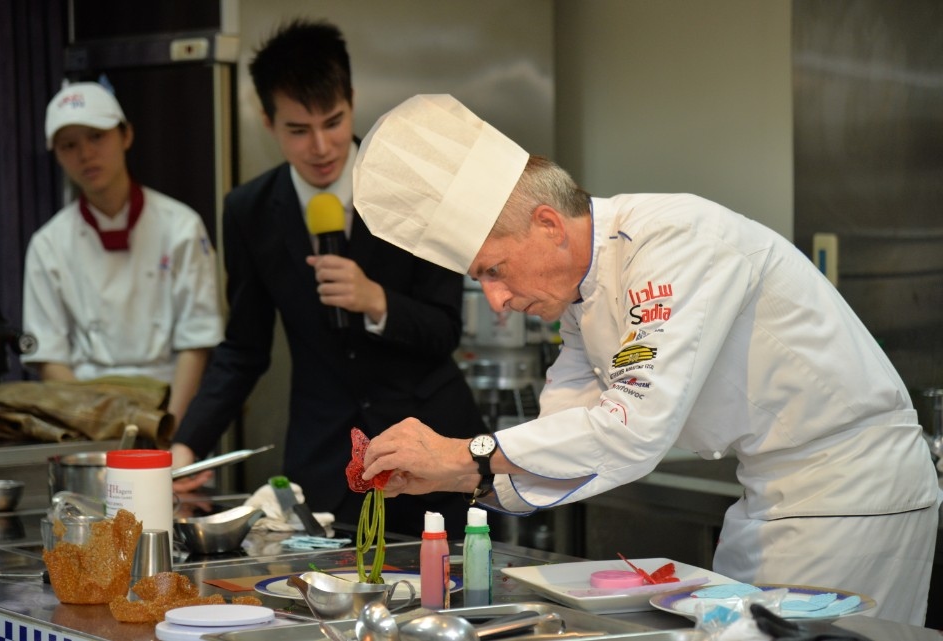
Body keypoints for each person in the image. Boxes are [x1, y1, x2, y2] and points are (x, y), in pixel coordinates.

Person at [352, 94, 941, 625]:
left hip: (854, 495)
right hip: (769, 498)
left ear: (549, 225)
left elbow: (631, 430)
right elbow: (568, 434)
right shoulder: (584, 301)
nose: (499, 301)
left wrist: (467, 452)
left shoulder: (673, 242)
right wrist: (459, 473)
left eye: (494, 272)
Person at [170, 21, 485, 536]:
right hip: (322, 461)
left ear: (352, 101)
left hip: (428, 452)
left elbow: (445, 328)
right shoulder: (250, 210)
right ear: (267, 121)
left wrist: (378, 301)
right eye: (298, 130)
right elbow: (243, 350)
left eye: (333, 122)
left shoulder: (415, 188)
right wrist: (188, 447)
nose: (320, 146)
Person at [23, 81, 223, 427]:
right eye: (69, 145)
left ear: (126, 135)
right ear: (56, 154)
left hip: (170, 403)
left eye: (96, 136)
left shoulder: (181, 226)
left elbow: (197, 342)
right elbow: (50, 358)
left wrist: (168, 427)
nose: (85, 154)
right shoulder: (48, 244)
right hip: (86, 412)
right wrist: (98, 423)